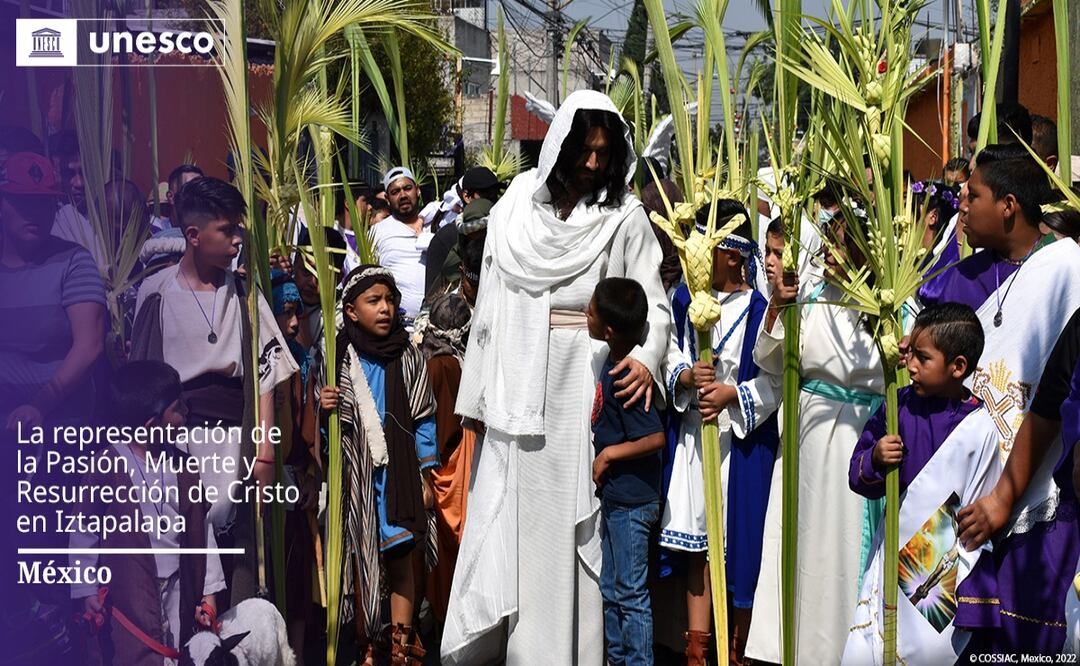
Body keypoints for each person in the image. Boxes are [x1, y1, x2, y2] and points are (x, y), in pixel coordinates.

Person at [443, 90, 671, 665]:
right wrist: (479, 393)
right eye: (584, 151)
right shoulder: (517, 202)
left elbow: (655, 302)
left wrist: (647, 358)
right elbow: (491, 300)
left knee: (581, 525)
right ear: (561, 146)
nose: (594, 164)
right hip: (521, 380)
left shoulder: (623, 215)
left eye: (604, 153)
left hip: (587, 383)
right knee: (524, 523)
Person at [913, 145, 1080, 655]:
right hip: (953, 487)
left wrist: (1006, 498)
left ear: (1008, 205)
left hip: (1039, 506)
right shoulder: (955, 280)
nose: (960, 203)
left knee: (1019, 638)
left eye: (974, 194)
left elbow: (1049, 403)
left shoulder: (1065, 269)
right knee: (927, 626)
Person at [129, 176, 298, 602]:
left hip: (232, 439)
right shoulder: (156, 293)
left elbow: (264, 374)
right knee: (183, 548)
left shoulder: (244, 294)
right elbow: (142, 376)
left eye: (239, 229)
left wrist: (264, 449)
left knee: (233, 548)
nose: (238, 239)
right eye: (227, 230)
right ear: (193, 235)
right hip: (176, 441)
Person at [745, 204, 891, 664]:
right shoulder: (806, 295)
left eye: (836, 243)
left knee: (851, 551)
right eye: (825, 242)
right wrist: (779, 305)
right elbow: (768, 358)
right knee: (807, 545)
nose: (827, 253)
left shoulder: (888, 302)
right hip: (810, 443)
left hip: (862, 440)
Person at [843, 303, 1001, 664]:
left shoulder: (980, 429)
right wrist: (877, 457)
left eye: (923, 358)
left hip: (936, 578)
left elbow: (978, 527)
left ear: (957, 367)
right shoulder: (896, 406)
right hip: (888, 560)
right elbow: (858, 474)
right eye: (910, 353)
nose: (910, 365)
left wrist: (970, 602)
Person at [660, 203, 780, 665]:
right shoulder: (683, 299)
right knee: (700, 552)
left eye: (704, 247)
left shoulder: (761, 309)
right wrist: (686, 378)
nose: (695, 255)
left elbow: (776, 380)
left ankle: (737, 651)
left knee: (739, 551)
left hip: (740, 447)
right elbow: (670, 351)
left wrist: (733, 393)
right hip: (696, 440)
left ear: (731, 254)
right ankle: (696, 651)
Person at [318, 266, 438, 662]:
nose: (385, 308)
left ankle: (403, 645)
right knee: (360, 555)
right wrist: (325, 407)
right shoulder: (337, 356)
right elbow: (322, 426)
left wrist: (425, 472)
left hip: (399, 475)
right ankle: (368, 642)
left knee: (402, 555)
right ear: (351, 311)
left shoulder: (408, 355)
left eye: (390, 300)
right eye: (374, 301)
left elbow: (423, 416)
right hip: (357, 477)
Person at [72, 360, 226, 666]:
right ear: (153, 424)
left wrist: (209, 592)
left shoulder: (184, 467)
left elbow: (203, 528)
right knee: (134, 654)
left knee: (178, 651)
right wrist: (85, 587)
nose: (186, 410)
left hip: (180, 586)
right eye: (178, 408)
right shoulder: (107, 465)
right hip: (128, 588)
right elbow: (84, 527)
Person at [586, 277, 665, 666]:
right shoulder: (613, 363)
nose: (586, 314)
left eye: (590, 311)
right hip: (617, 499)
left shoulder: (627, 377)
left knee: (631, 593)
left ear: (609, 330)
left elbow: (654, 438)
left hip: (634, 503)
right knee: (612, 587)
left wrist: (609, 455)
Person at [420, 292, 475, 623]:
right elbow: (446, 429)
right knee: (452, 546)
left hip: (440, 465)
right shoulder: (448, 365)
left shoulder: (427, 360)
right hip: (451, 465)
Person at [424, 166, 500, 294]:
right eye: (486, 196)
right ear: (467, 196)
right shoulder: (445, 239)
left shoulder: (501, 232)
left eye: (495, 195)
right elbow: (434, 297)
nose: (492, 202)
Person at [369, 166, 431, 323]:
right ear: (387, 199)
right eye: (395, 192)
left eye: (407, 188)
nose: (403, 195)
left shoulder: (436, 222)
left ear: (417, 190)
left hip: (439, 323)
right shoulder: (377, 232)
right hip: (399, 325)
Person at [424, 198, 491, 300]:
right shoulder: (452, 263)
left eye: (482, 238)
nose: (477, 246)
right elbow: (429, 307)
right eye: (471, 238)